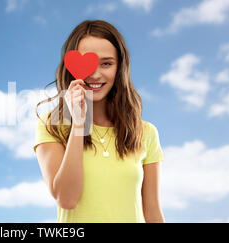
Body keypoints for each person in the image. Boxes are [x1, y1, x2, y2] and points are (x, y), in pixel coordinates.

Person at [33, 20, 165, 223]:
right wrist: (78, 124)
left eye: (106, 63)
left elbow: (153, 213)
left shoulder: (145, 132)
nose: (95, 74)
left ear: (120, 68)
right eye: (88, 63)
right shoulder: (52, 126)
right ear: (70, 68)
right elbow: (66, 199)